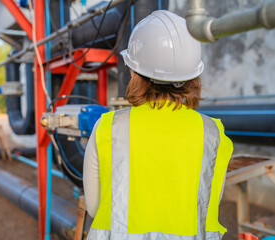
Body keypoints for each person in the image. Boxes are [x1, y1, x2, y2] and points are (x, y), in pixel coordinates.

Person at [83, 10, 233, 240]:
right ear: (194, 75)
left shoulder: (108, 128)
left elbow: (95, 207)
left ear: (134, 71)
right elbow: (209, 202)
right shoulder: (213, 133)